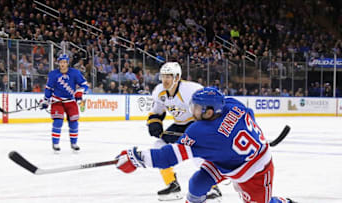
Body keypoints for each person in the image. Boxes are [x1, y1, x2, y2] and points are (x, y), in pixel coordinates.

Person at [116, 87, 297, 203]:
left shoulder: (200, 131)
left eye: (196, 108)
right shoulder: (233, 104)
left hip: (255, 169)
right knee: (197, 183)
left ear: (209, 112)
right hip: (225, 160)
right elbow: (249, 116)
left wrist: (135, 158)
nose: (192, 110)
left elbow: (167, 157)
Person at [146, 62, 221, 201]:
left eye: (169, 76)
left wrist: (209, 129)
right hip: (179, 125)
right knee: (159, 145)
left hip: (197, 124)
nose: (165, 80)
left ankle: (212, 188)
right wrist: (154, 123)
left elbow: (211, 107)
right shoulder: (159, 91)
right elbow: (157, 111)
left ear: (177, 77)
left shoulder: (191, 90)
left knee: (197, 153)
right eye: (163, 76)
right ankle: (172, 185)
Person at [40, 54, 88, 152]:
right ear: (58, 63)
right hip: (57, 101)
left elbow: (84, 85)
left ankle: (74, 143)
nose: (63, 64)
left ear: (67, 63)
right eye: (61, 62)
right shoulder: (53, 74)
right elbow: (48, 88)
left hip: (70, 101)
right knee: (58, 121)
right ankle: (56, 143)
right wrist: (46, 100)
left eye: (64, 62)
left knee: (74, 123)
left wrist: (79, 93)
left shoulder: (75, 73)